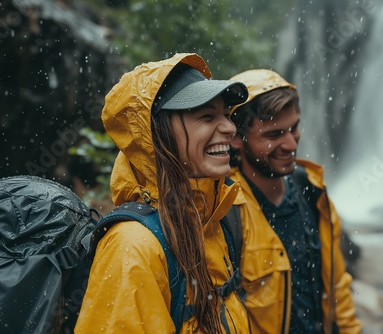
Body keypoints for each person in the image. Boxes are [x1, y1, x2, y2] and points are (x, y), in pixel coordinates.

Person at [75, 53, 251, 333]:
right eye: (207, 117)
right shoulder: (132, 247)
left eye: (226, 116)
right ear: (157, 134)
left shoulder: (212, 220)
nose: (230, 128)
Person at [228, 69, 361, 333]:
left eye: (294, 128)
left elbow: (336, 286)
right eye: (274, 135)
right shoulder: (225, 209)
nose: (291, 144)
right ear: (236, 138)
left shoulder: (312, 190)